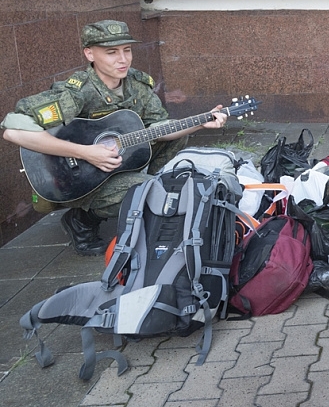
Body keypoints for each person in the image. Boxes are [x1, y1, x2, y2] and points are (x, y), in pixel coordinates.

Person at [2, 20, 227, 255]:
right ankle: (82, 219)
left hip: (119, 163)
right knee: (145, 190)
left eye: (127, 50)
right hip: (77, 175)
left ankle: (139, 198)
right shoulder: (77, 92)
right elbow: (13, 131)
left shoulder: (136, 84)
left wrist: (200, 122)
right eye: (111, 52)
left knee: (176, 137)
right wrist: (86, 152)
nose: (123, 59)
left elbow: (158, 127)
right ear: (90, 53)